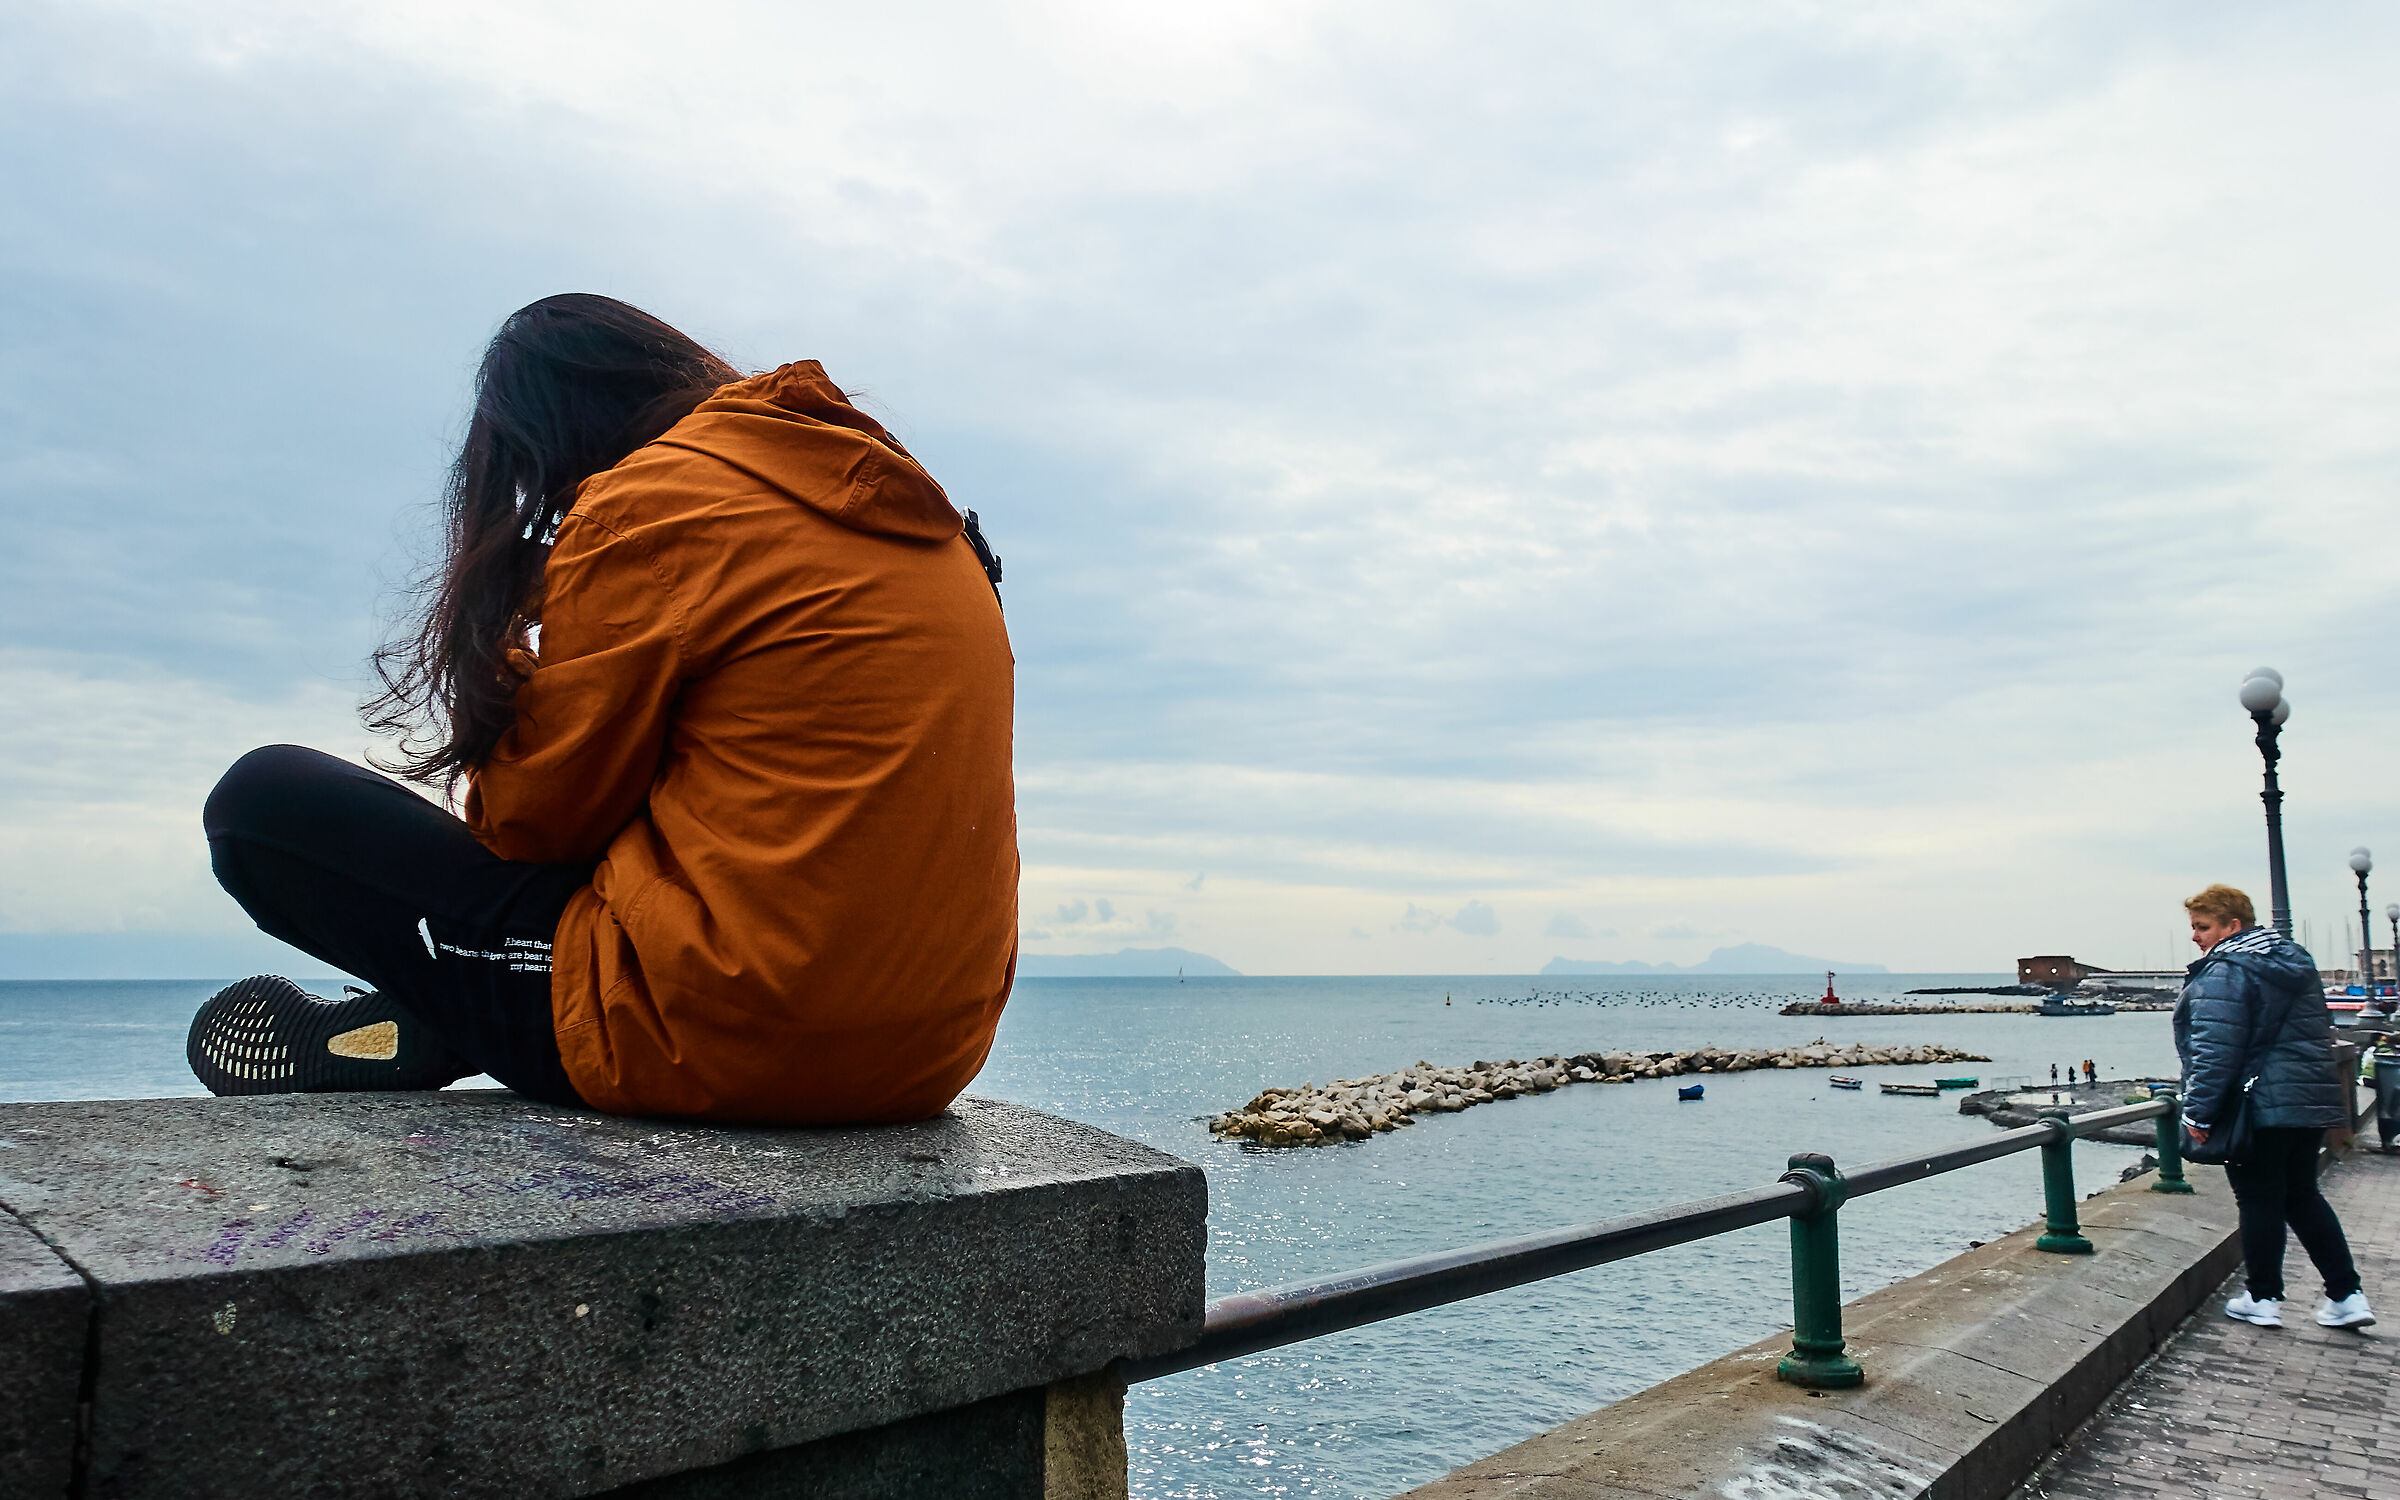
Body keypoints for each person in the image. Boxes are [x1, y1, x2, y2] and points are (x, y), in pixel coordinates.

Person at [189, 294, 1019, 1123]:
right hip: (930, 1055)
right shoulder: (926, 523)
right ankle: (462, 1004)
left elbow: (536, 826)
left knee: (260, 806)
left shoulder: (645, 506)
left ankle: (448, 1008)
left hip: (727, 1037)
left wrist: (506, 644)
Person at [2177, 883, 2373, 1329]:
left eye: (2202, 927)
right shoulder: (2294, 963)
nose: (2195, 936)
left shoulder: (2227, 970)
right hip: (2307, 1102)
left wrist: (2199, 1112)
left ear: (2232, 926)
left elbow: (2215, 1049)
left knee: (2257, 1198)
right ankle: (2347, 1295)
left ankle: (2262, 1297)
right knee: (2302, 1195)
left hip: (2257, 1105)